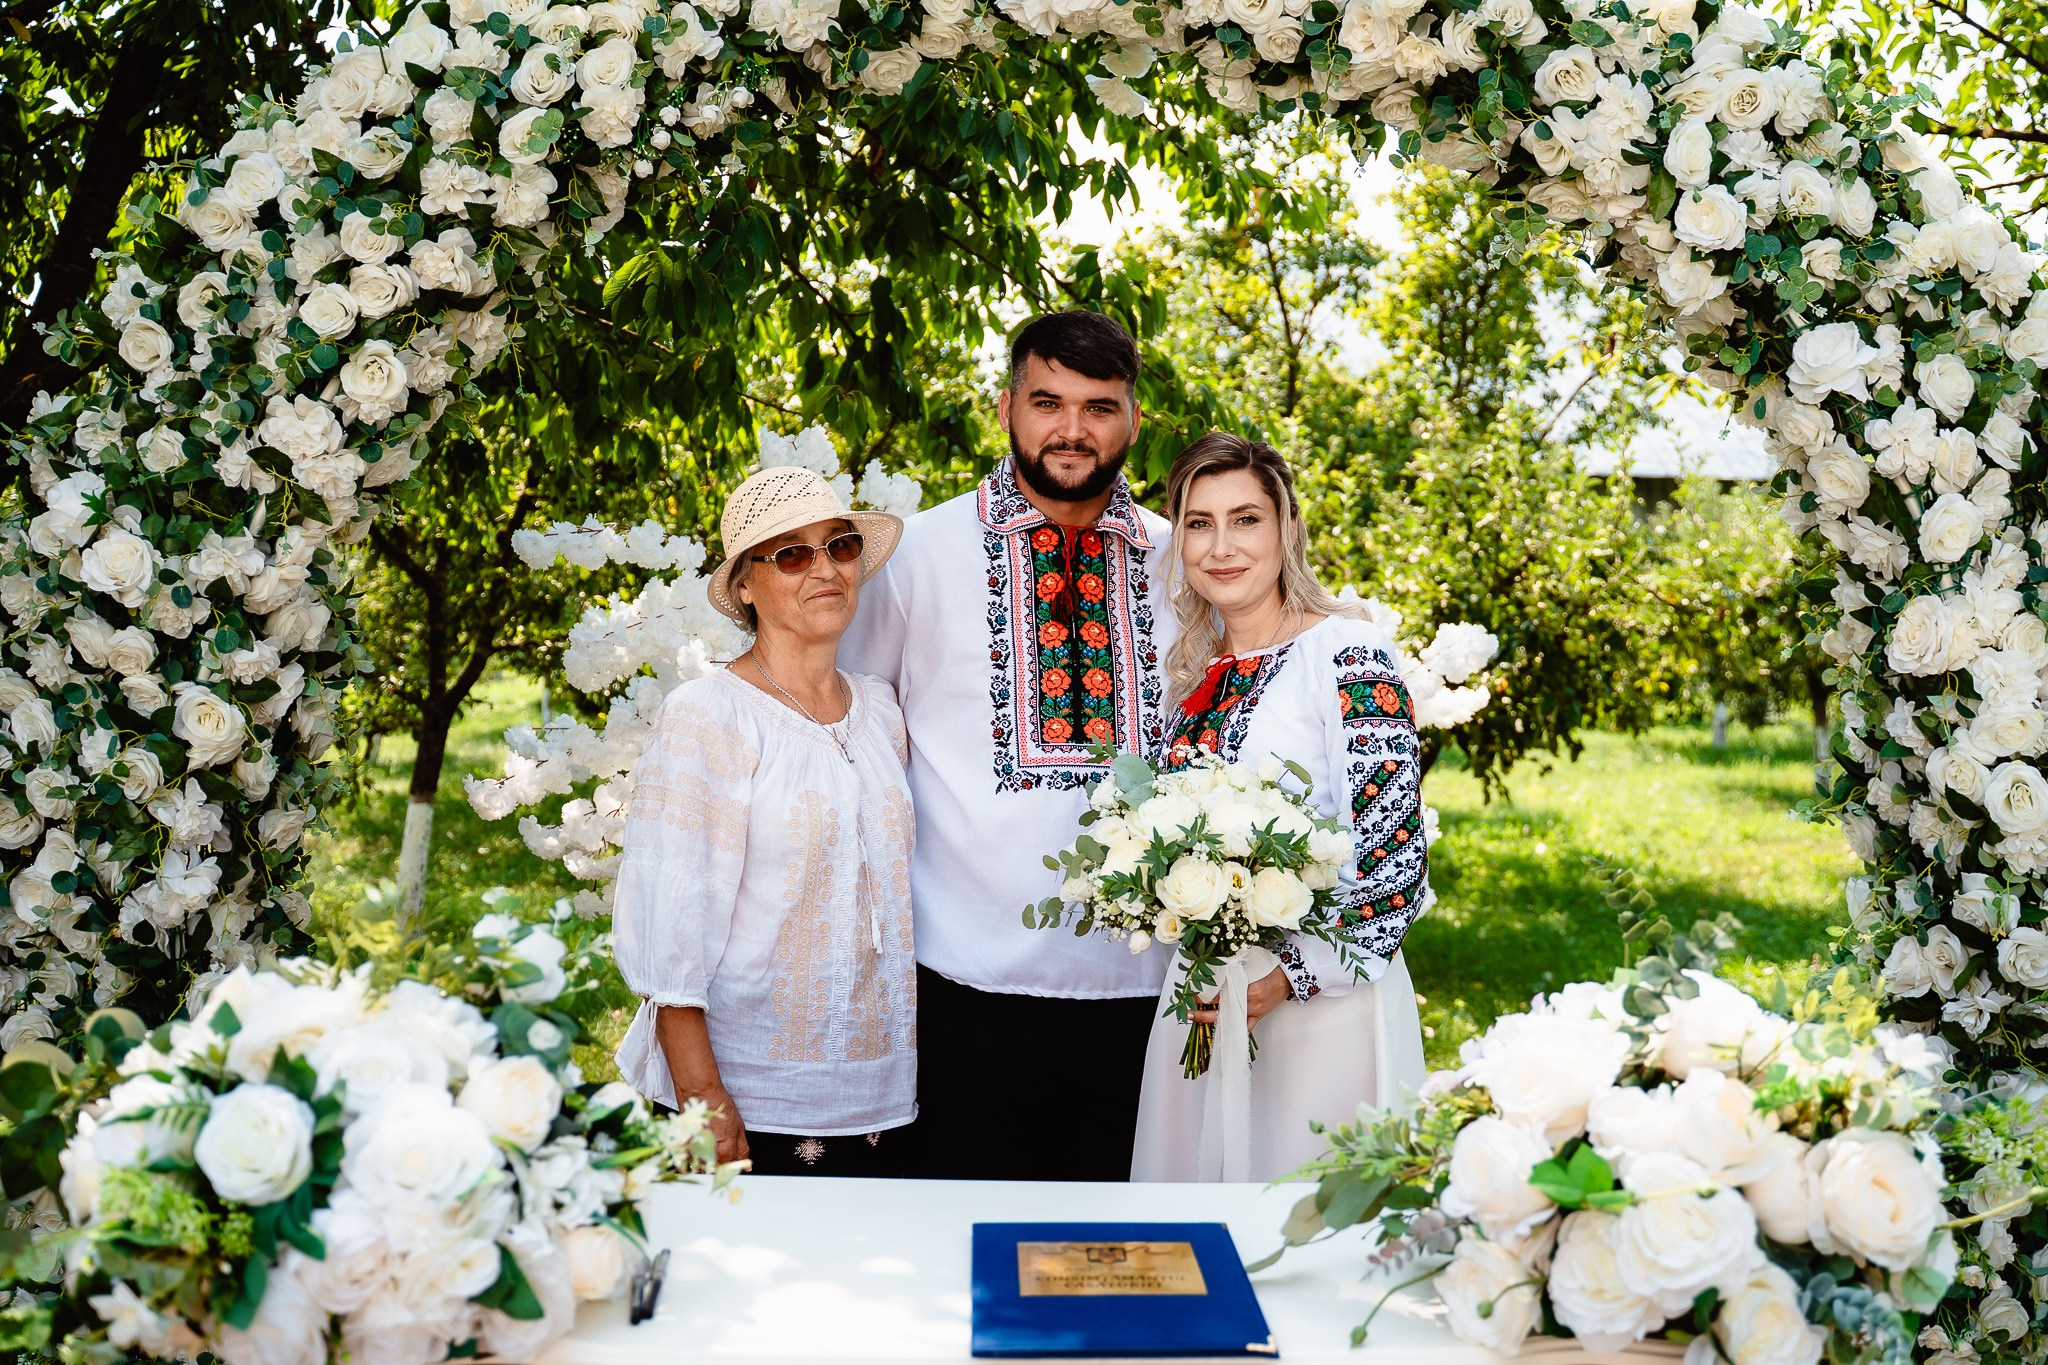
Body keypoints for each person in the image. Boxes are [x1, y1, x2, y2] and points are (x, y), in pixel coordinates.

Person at [840, 311, 1176, 1181]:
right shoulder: (918, 557)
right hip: (963, 983)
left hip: (1154, 987)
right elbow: (857, 747)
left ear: (1134, 419)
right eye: (1047, 402)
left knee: (1130, 1256)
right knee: (970, 1254)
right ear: (1006, 409)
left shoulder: (1184, 562)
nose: (1072, 430)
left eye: (1100, 407)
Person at [1130, 433, 1428, 1183]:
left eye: (1246, 519)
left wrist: (1288, 978)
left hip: (1325, 1006)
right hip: (1205, 997)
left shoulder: (1349, 652)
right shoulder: (1195, 679)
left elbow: (1395, 855)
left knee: (1306, 1225)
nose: (1221, 545)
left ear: (1287, 528)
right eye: (1198, 523)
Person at [612, 465, 919, 1176]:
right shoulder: (708, 715)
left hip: (881, 1093)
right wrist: (702, 1097)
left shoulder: (880, 712)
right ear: (745, 584)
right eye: (791, 553)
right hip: (747, 1099)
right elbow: (670, 929)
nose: (825, 568)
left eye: (839, 545)